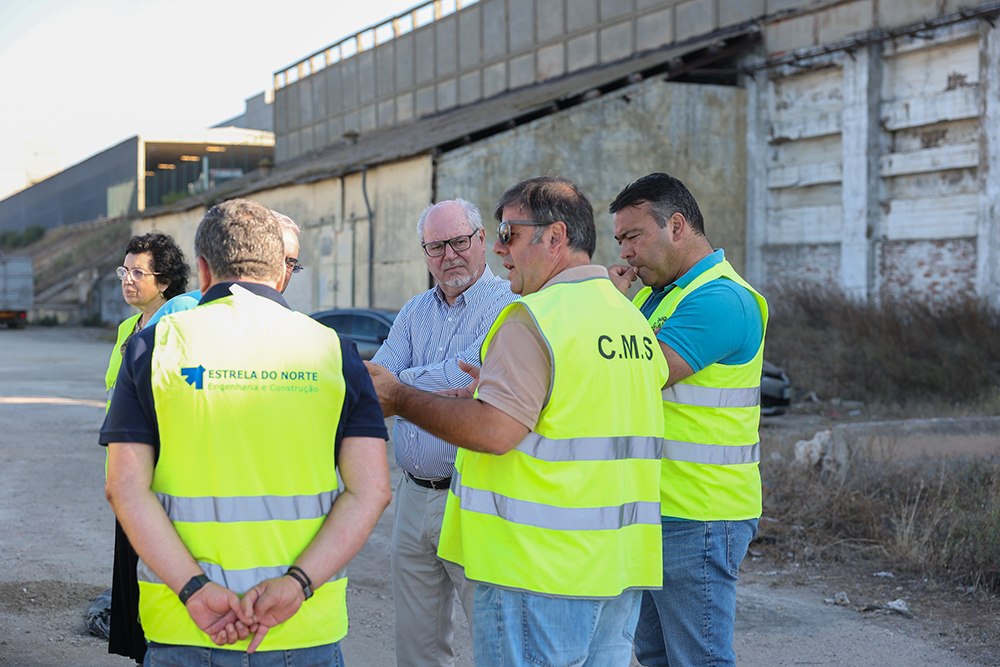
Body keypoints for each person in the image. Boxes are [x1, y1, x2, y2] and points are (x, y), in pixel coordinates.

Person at [367, 177, 668, 667]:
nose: (504, 249)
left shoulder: (532, 317)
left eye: (508, 233)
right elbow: (584, 411)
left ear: (554, 237)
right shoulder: (628, 318)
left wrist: (400, 395)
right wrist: (505, 387)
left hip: (538, 570)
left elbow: (494, 431)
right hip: (617, 564)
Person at [101, 199, 391, 664]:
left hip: (187, 625)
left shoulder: (152, 348)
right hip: (303, 625)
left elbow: (124, 488)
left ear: (202, 269)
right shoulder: (335, 352)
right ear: (281, 270)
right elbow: (372, 491)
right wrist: (297, 585)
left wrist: (195, 590)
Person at [608, 172, 768, 667]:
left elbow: (637, 374)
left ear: (676, 225)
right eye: (620, 241)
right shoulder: (658, 296)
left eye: (633, 236)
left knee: (699, 659)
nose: (626, 253)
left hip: (699, 513)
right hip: (655, 509)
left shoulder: (720, 299)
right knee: (654, 654)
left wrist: (605, 308)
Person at [368, 199, 516, 667]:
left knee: (495, 641)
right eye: (436, 246)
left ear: (482, 242)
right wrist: (396, 383)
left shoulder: (511, 306)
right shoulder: (414, 311)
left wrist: (398, 385)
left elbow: (462, 378)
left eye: (459, 241)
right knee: (416, 648)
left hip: (474, 494)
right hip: (412, 494)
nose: (449, 255)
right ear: (424, 251)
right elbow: (380, 381)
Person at [103, 231, 194, 664]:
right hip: (128, 472)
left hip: (161, 473)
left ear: (165, 280)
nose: (128, 279)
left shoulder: (180, 320)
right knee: (131, 575)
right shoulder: (127, 328)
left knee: (157, 576)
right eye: (125, 270)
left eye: (139, 272)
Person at [146, 211, 302, 326]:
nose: (281, 269)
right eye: (273, 256)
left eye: (290, 263)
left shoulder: (292, 324)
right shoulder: (182, 309)